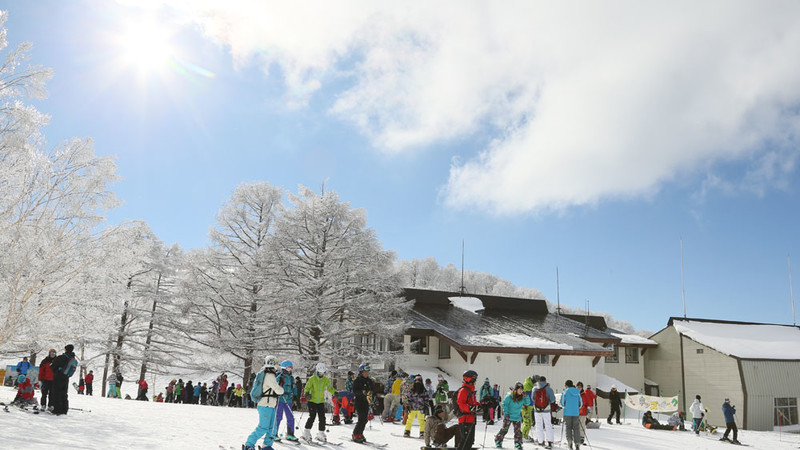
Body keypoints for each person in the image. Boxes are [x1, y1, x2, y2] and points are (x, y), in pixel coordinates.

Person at [243, 355, 284, 450]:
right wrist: (281, 389)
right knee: (263, 427)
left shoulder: (270, 375)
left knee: (272, 428)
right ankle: (249, 444)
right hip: (265, 405)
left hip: (271, 405)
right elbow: (278, 390)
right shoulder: (269, 375)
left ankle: (267, 445)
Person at [301, 362, 337, 443]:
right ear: (317, 371)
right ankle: (306, 432)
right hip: (312, 401)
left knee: (322, 418)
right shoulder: (312, 379)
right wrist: (306, 394)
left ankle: (321, 433)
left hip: (320, 401)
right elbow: (307, 388)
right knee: (312, 416)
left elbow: (329, 388)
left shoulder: (325, 379)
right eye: (320, 372)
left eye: (323, 372)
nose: (321, 374)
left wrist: (335, 392)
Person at [495, 382, 529, 450]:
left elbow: (527, 403)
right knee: (504, 430)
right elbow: (505, 405)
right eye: (519, 389)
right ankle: (498, 440)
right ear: (515, 390)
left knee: (518, 432)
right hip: (509, 416)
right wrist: (506, 413)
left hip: (517, 417)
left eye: (522, 389)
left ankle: (518, 444)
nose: (521, 391)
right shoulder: (510, 396)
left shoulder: (522, 398)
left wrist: (526, 396)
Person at [456, 369, 481, 450]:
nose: (475, 381)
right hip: (465, 419)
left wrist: (482, 405)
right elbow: (460, 403)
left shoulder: (471, 390)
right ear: (470, 379)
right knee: (465, 441)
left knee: (470, 441)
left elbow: (473, 403)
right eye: (474, 379)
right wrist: (470, 408)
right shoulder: (463, 390)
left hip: (471, 419)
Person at [351, 363, 376, 443]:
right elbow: (354, 391)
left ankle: (360, 433)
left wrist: (372, 395)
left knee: (365, 419)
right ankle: (355, 434)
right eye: (365, 372)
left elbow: (372, 390)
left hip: (366, 401)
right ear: (361, 372)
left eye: (367, 372)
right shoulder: (357, 380)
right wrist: (362, 392)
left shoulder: (369, 380)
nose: (366, 373)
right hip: (359, 401)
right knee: (361, 418)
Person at [49, 344, 78, 415]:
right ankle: (64, 410)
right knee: (64, 394)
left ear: (66, 349)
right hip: (66, 377)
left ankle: (57, 410)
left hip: (58, 376)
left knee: (56, 393)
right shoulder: (73, 358)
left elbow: (52, 366)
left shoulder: (62, 357)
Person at [274, 360, 298, 442]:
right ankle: (274, 433)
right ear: (284, 368)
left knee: (290, 416)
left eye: (291, 367)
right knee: (278, 417)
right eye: (288, 367)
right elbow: (275, 386)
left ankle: (290, 434)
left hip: (288, 399)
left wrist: (295, 397)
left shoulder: (291, 378)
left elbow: (294, 388)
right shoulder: (280, 376)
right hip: (280, 399)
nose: (290, 369)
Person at [532, 376, 556, 449]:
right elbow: (553, 399)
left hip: (537, 410)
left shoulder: (534, 388)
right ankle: (550, 442)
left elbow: (532, 398)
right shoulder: (548, 388)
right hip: (546, 409)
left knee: (539, 425)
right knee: (548, 425)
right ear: (545, 381)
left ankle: (540, 441)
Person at [560, 379, 583, 450]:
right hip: (576, 413)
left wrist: (566, 406)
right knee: (576, 428)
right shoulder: (578, 392)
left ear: (566, 385)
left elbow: (562, 403)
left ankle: (569, 442)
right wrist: (576, 408)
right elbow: (581, 403)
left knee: (568, 428)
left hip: (567, 413)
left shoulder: (565, 392)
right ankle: (577, 443)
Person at [521, 374, 537, 441]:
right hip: (526, 407)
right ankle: (523, 436)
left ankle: (525, 434)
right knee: (526, 422)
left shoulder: (531, 385)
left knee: (529, 421)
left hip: (530, 406)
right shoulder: (526, 385)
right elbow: (523, 396)